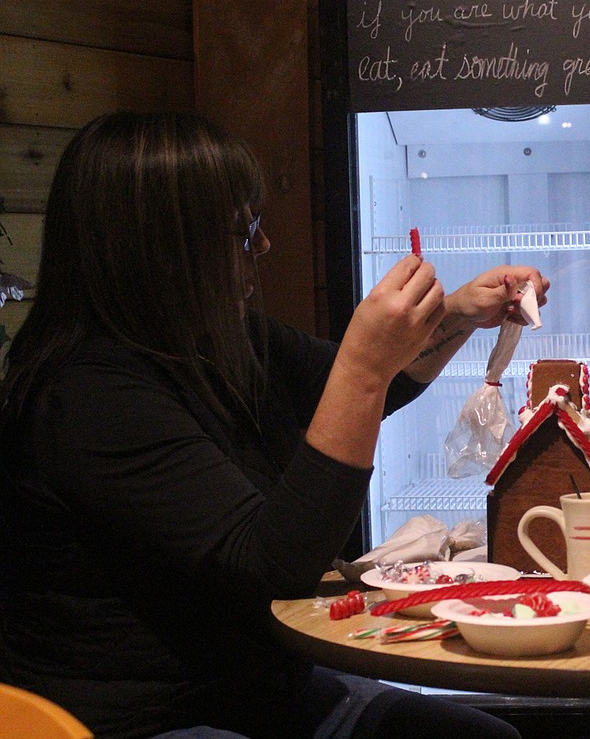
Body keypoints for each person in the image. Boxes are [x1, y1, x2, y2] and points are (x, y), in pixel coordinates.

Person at [0, 110, 548, 739]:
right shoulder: (87, 394)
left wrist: (456, 313)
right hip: (147, 721)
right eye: (242, 231)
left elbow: (382, 382)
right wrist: (363, 366)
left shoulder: (215, 339)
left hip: (264, 692)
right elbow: (274, 564)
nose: (262, 246)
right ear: (164, 253)